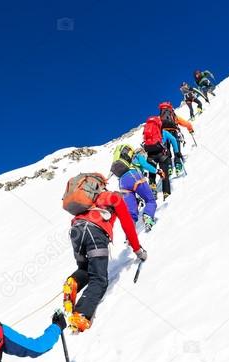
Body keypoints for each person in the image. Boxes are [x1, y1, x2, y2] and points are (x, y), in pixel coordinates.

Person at [62, 179, 147, 333]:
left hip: (76, 231)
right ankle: (81, 315)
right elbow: (128, 225)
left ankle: (73, 282)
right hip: (95, 233)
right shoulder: (114, 198)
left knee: (85, 268)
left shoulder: (89, 200)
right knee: (99, 279)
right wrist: (138, 250)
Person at [110, 144, 158, 231]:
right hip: (133, 176)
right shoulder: (138, 155)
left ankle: (130, 232)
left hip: (122, 182)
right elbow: (145, 165)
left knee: (131, 211)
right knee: (150, 201)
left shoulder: (123, 162)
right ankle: (148, 218)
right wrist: (157, 171)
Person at [140, 115, 174, 200]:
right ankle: (166, 193)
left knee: (152, 173)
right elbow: (173, 139)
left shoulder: (147, 130)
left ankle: (153, 189)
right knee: (164, 173)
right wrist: (177, 152)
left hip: (150, 154)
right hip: (161, 154)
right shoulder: (163, 132)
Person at [158, 102, 194, 177]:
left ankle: (169, 166)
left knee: (166, 150)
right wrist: (190, 129)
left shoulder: (160, 118)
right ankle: (178, 164)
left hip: (164, 134)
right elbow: (186, 123)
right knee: (176, 149)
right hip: (174, 132)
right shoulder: (174, 116)